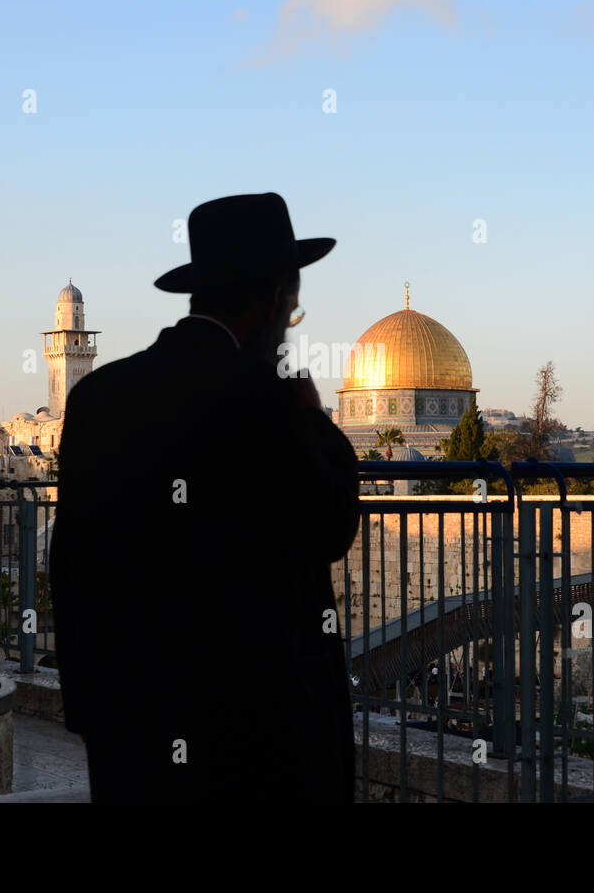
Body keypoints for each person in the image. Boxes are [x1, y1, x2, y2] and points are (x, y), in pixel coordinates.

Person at [49, 192, 360, 801]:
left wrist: (92, 720)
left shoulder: (98, 398)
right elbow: (328, 525)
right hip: (255, 747)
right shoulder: (264, 397)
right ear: (272, 301)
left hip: (131, 735)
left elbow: (72, 567)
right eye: (292, 315)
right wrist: (316, 420)